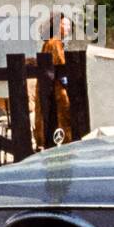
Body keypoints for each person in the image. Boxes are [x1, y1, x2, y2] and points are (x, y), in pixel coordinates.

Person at [32, 13, 74, 149]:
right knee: (60, 118)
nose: (68, 27)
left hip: (50, 87)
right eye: (65, 24)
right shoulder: (54, 43)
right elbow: (59, 66)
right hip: (55, 89)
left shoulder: (53, 42)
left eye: (69, 24)